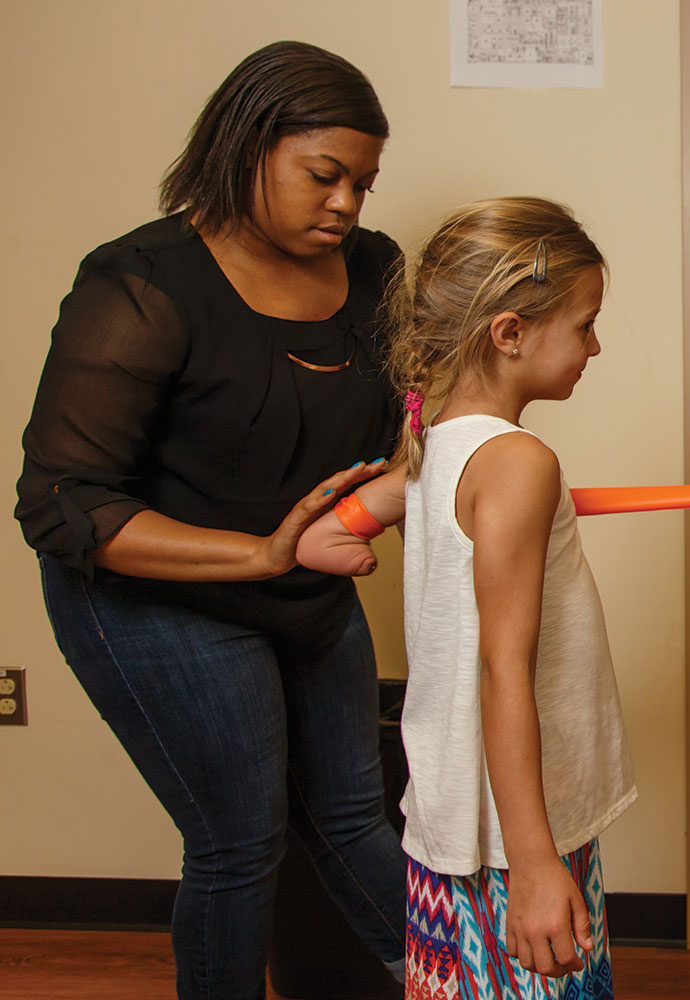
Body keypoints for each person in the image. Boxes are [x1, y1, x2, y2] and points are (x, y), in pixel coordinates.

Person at [14, 41, 407, 998]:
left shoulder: (374, 268)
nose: (348, 204)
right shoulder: (141, 285)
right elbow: (63, 505)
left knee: (355, 814)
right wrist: (264, 551)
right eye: (325, 175)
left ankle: (464, 981)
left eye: (364, 181)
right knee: (240, 842)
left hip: (302, 580)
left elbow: (407, 415)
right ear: (247, 147)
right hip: (155, 594)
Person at [297, 197, 637, 998]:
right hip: (516, 831)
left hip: (448, 820)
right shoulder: (518, 463)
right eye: (584, 324)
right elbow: (501, 669)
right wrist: (534, 862)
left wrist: (339, 530)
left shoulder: (430, 448)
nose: (596, 344)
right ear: (510, 332)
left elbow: (327, 534)